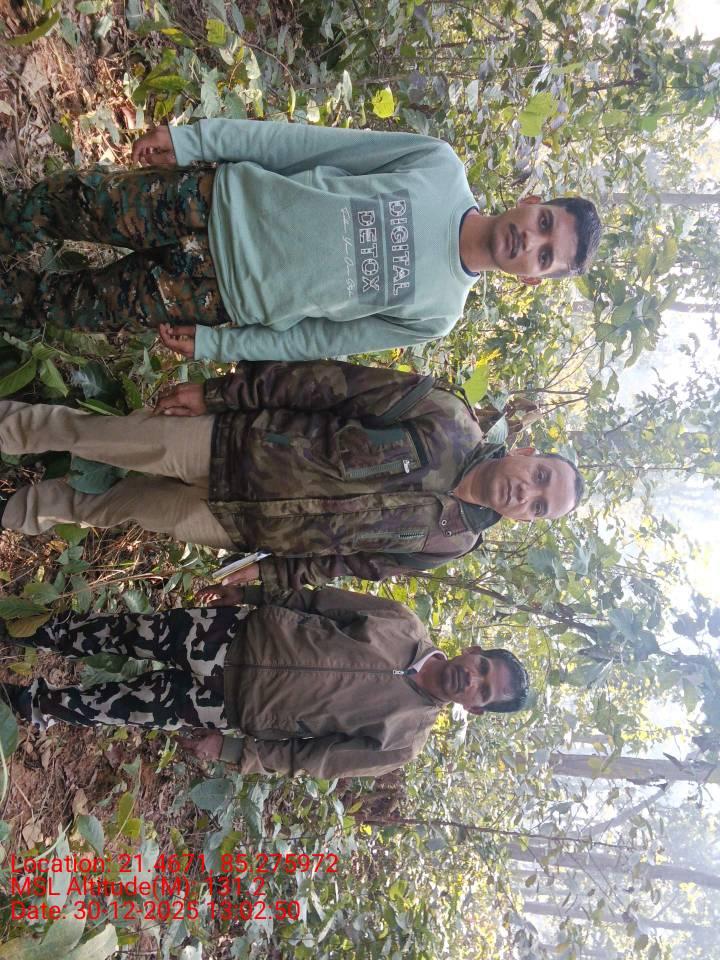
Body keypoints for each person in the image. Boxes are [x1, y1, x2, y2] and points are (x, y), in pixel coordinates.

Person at [0, 119, 602, 361]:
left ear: (533, 278)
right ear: (533, 202)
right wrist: (196, 141)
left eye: (545, 256)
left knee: (71, 306)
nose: (531, 240)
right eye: (545, 222)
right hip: (208, 202)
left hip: (215, 296)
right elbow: (307, 146)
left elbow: (317, 339)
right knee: (68, 203)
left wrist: (219, 346)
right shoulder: (438, 167)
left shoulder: (438, 314)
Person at [0, 359, 584, 592]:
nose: (526, 492)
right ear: (526, 451)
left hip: (236, 524)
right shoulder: (447, 416)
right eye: (539, 476)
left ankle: (15, 512)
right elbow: (325, 385)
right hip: (231, 445)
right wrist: (220, 394)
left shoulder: (449, 543)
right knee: (92, 436)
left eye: (538, 504)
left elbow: (351, 562)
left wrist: (271, 573)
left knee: (113, 507)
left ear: (524, 519)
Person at [0, 585, 530, 778]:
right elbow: (318, 601)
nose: (472, 680)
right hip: (231, 633)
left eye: (483, 691)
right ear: (475, 652)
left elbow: (312, 759)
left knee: (117, 707)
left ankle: (27, 702)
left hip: (227, 706)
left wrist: (232, 751)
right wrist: (252, 596)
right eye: (483, 668)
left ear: (476, 708)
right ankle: (29, 629)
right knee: (120, 632)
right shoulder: (402, 622)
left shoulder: (403, 741)